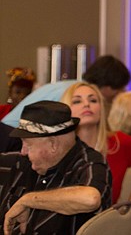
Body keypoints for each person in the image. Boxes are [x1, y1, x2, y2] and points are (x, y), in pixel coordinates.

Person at [0, 100, 111, 234]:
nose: (23, 151)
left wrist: (28, 200)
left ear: (53, 144)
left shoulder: (90, 164)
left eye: (28, 145)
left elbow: (91, 199)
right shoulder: (21, 162)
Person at [60, 82, 131, 208]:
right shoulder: (56, 148)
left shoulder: (118, 142)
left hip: (104, 224)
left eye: (93, 100)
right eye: (77, 101)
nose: (87, 104)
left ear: (101, 109)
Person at [1, 55, 131, 128]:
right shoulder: (76, 93)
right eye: (119, 89)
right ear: (108, 87)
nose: (118, 95)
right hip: (13, 138)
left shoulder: (68, 84)